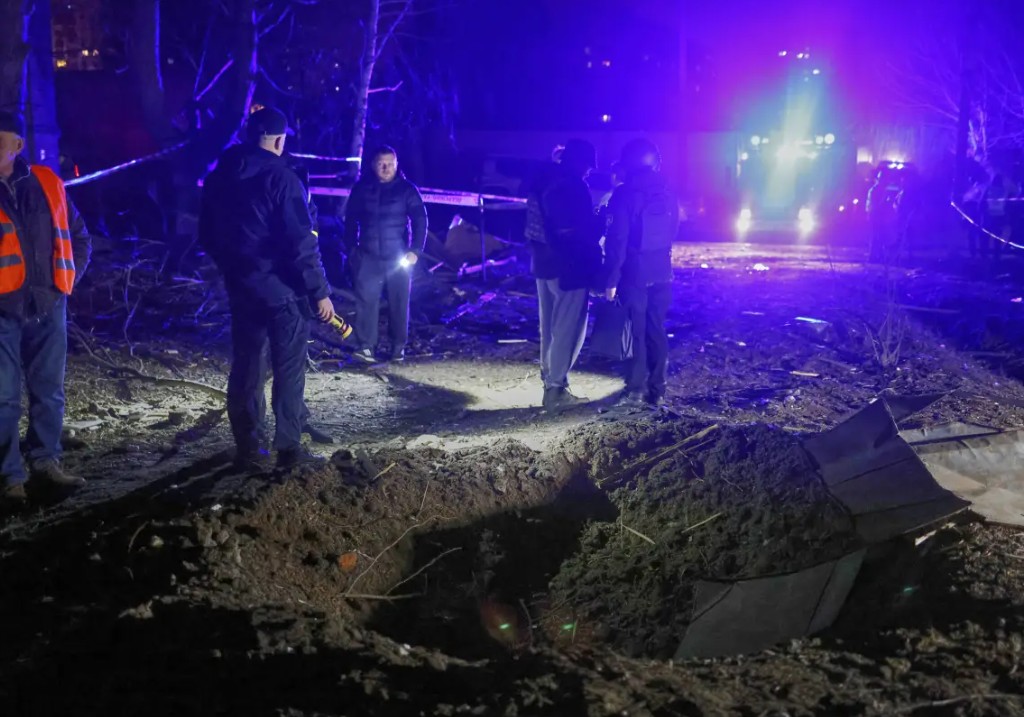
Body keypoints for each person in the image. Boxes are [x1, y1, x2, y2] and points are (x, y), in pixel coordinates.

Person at [199, 106, 333, 470]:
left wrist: (234, 268)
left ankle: (249, 447)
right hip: (283, 290)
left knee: (246, 365)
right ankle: (288, 449)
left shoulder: (220, 176)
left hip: (241, 287)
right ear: (279, 140)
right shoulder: (282, 178)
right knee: (288, 367)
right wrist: (319, 291)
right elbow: (301, 242)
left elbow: (206, 234)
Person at [1, 111, 92, 503]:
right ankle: (9, 476)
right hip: (4, 310)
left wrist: (63, 287)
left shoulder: (47, 183)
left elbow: (78, 236)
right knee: (3, 395)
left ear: (17, 145)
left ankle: (45, 461)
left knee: (48, 391)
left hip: (48, 304)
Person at [524, 139, 601, 411]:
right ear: (578, 162)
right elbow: (576, 232)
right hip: (568, 267)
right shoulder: (571, 185)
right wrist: (600, 222)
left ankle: (550, 383)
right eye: (587, 165)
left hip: (543, 264)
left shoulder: (543, 181)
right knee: (568, 329)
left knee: (549, 328)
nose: (589, 172)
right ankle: (557, 389)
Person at [603, 138, 679, 408]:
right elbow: (674, 231)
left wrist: (611, 279)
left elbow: (617, 240)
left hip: (634, 274)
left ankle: (635, 389)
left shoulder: (624, 195)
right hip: (662, 272)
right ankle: (657, 390)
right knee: (656, 329)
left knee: (635, 330)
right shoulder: (668, 192)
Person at [344, 146, 427, 363]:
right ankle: (365, 346)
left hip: (397, 258)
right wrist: (352, 251)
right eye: (381, 163)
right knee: (366, 302)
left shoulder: (407, 190)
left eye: (390, 163)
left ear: (397, 164)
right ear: (373, 164)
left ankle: (397, 347)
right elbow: (350, 221)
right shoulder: (361, 189)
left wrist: (415, 250)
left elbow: (420, 220)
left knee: (398, 303)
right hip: (367, 256)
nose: (386, 167)